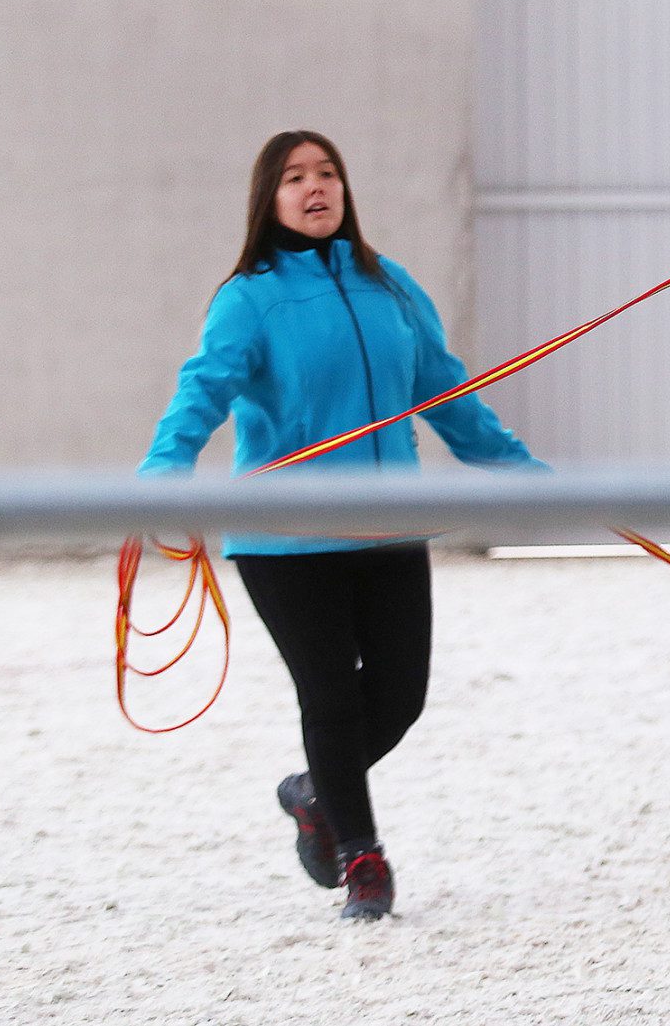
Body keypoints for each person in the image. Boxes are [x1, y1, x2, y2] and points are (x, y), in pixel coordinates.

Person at [141, 130, 545, 921]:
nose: (315, 186)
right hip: (286, 538)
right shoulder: (248, 297)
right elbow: (202, 390)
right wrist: (164, 472)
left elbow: (447, 393)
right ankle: (363, 858)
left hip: (388, 528)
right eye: (295, 176)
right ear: (270, 198)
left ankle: (311, 792)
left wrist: (524, 473)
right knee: (329, 697)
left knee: (400, 696)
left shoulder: (390, 285)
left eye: (327, 172)